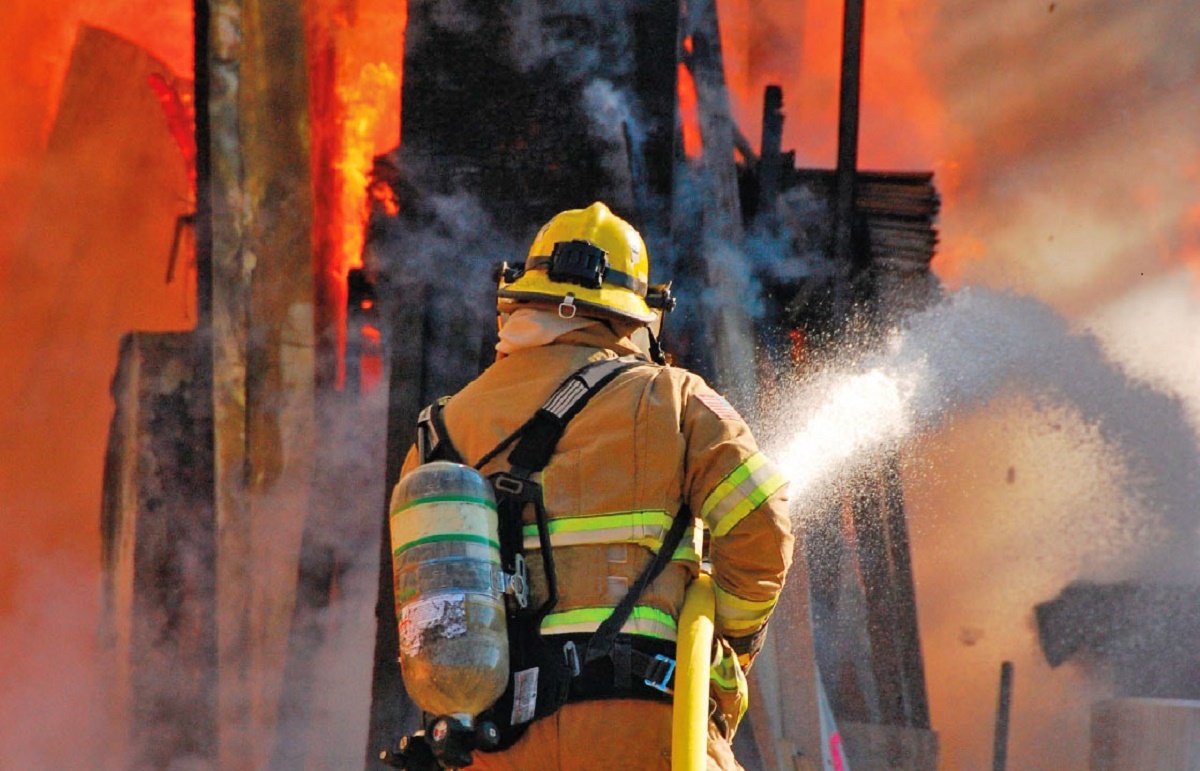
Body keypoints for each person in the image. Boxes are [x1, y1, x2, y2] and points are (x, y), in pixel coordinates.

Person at [395, 201, 794, 770]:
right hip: (643, 732)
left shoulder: (435, 433)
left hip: (491, 749)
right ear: (638, 315)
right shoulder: (673, 398)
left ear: (517, 299)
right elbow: (762, 525)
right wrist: (727, 636)